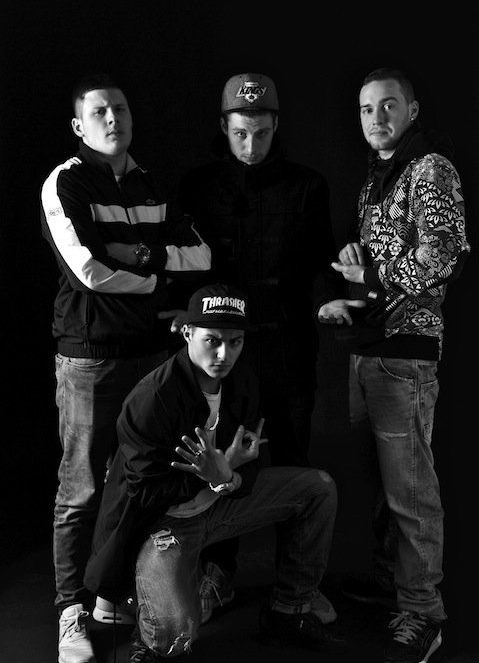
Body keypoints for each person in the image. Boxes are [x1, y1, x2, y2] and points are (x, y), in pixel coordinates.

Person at [40, 72, 211, 663]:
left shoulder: (151, 184)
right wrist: (159, 278)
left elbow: (201, 255)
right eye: (99, 112)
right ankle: (72, 611)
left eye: (120, 108)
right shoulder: (65, 183)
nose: (112, 118)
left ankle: (115, 596)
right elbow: (88, 270)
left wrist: (137, 254)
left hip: (152, 357)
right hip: (90, 359)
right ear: (78, 125)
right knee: (82, 489)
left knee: (142, 482)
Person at [83, 283, 347, 661]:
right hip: (163, 523)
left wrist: (230, 473)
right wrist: (213, 474)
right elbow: (145, 494)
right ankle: (142, 606)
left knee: (317, 488)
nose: (224, 354)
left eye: (235, 342)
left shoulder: (243, 382)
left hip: (218, 506)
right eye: (212, 340)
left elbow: (249, 463)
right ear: (188, 333)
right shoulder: (152, 398)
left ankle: (290, 610)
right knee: (175, 638)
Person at [176, 72, 343, 626]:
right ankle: (217, 575)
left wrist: (329, 298)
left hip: (289, 347)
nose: (251, 146)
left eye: (263, 134)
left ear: (277, 127)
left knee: (293, 460)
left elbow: (321, 259)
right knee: (222, 461)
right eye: (240, 133)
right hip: (224, 356)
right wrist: (181, 315)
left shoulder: (307, 185)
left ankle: (297, 586)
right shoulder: (199, 186)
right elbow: (184, 266)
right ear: (223, 127)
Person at [318, 67, 470, 663]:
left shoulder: (430, 168)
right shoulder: (377, 178)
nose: (376, 118)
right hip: (370, 349)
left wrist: (372, 274)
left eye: (388, 106)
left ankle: (424, 612)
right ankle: (392, 585)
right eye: (366, 109)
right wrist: (357, 266)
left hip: (407, 353)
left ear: (412, 110)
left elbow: (445, 253)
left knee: (411, 490)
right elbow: (378, 265)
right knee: (384, 485)